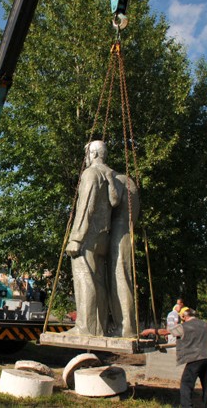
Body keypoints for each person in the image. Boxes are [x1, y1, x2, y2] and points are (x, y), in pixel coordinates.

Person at [65, 140, 118, 336]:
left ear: (94, 154)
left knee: (84, 279)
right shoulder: (110, 174)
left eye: (87, 154)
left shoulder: (91, 173)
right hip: (103, 235)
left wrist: (76, 238)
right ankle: (99, 328)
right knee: (99, 282)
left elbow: (86, 206)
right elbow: (114, 201)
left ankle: (85, 328)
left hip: (88, 236)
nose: (86, 158)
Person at [142, 308, 207, 408]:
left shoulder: (184, 326)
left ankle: (187, 406)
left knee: (186, 385)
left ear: (184, 317)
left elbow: (165, 332)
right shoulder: (206, 325)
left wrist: (150, 330)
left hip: (195, 359)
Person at [108, 173, 139, 337]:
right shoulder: (127, 181)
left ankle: (125, 327)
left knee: (120, 279)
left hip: (119, 235)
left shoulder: (118, 180)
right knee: (121, 278)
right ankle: (125, 325)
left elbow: (113, 201)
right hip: (124, 232)